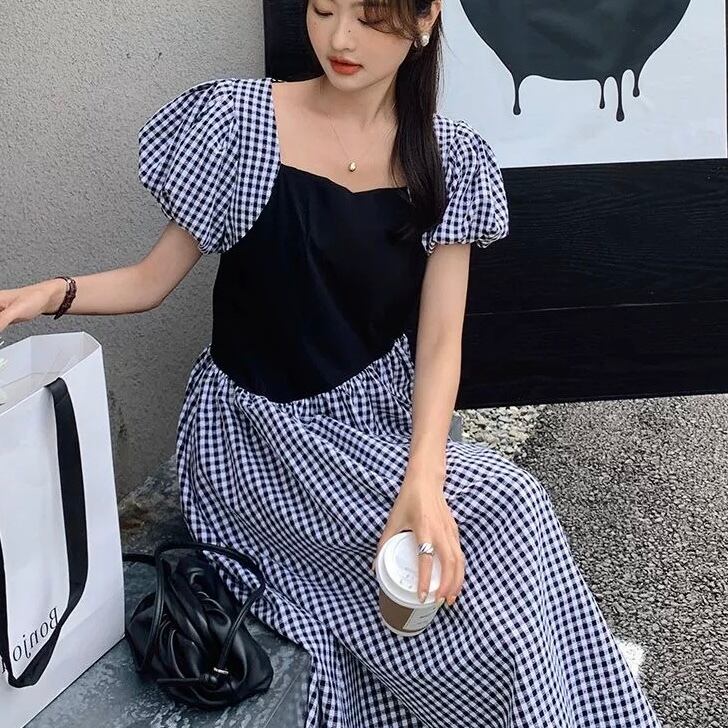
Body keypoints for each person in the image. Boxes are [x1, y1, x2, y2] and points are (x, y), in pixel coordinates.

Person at [0, 1, 664, 726]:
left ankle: (560, 698)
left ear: (425, 19)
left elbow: (440, 341)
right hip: (249, 440)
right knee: (507, 510)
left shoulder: (448, 159)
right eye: (323, 9)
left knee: (490, 529)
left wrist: (424, 478)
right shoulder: (240, 124)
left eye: (371, 18)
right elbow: (150, 280)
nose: (340, 38)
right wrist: (52, 295)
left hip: (373, 421)